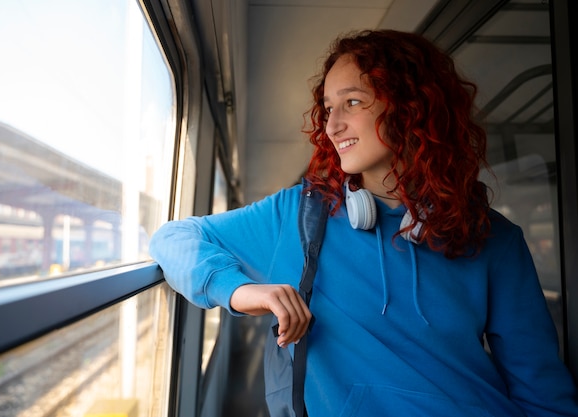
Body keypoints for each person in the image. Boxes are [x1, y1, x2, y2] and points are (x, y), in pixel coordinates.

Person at [150, 29, 578, 416]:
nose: (333, 126)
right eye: (328, 108)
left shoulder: (494, 238)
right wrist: (239, 290)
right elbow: (173, 237)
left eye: (352, 102)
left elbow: (543, 395)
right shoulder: (297, 215)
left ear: (412, 107)